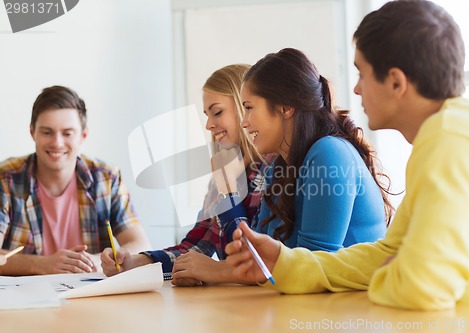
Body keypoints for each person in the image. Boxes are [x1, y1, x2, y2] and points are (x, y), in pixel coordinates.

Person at [225, 0, 469, 310]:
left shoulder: (451, 139)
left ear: (396, 82)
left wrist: (394, 269)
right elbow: (389, 252)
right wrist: (285, 262)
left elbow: (423, 287)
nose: (356, 90)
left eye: (363, 75)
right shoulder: (449, 132)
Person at [170, 48, 394, 285]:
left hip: (349, 314)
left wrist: (219, 272)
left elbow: (314, 267)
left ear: (285, 107)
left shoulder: (329, 153)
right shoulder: (280, 166)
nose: (245, 122)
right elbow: (253, 258)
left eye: (249, 107)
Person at [101, 64, 269, 284]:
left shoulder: (270, 172)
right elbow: (196, 246)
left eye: (217, 112)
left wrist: (228, 192)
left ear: (243, 108)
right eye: (207, 115)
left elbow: (253, 258)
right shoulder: (224, 172)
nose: (209, 125)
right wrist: (134, 263)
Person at [0, 85, 150, 275]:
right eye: (47, 132)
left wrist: (98, 261)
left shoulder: (106, 178)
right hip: (27, 299)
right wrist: (41, 264)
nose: (57, 142)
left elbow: (140, 243)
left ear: (83, 135)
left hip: (91, 296)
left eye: (67, 133)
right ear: (32, 132)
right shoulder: (6, 178)